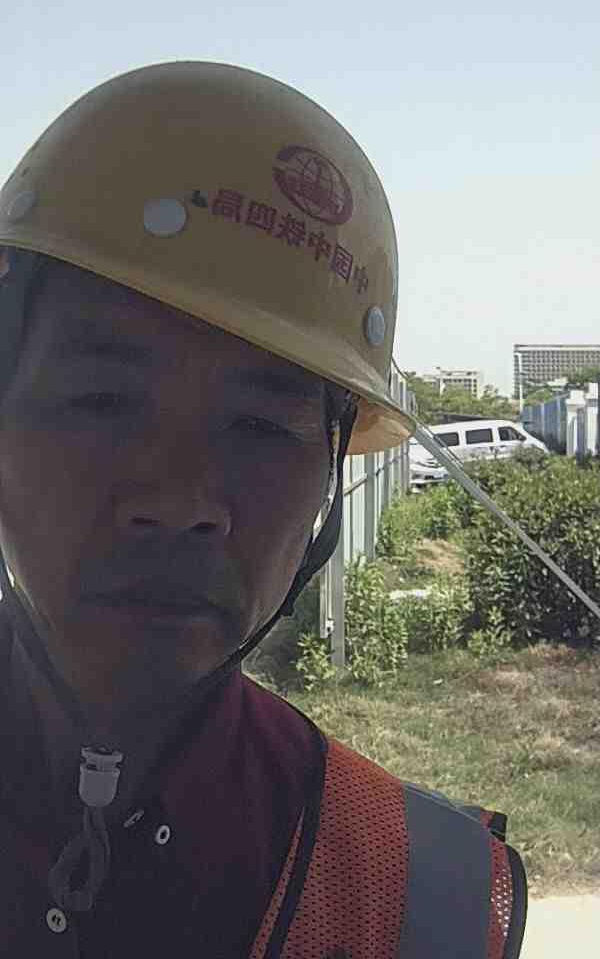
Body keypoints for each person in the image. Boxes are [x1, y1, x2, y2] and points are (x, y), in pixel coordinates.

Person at [0, 62, 526, 958]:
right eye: (102, 402)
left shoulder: (425, 901)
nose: (179, 502)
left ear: (328, 473)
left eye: (258, 427)